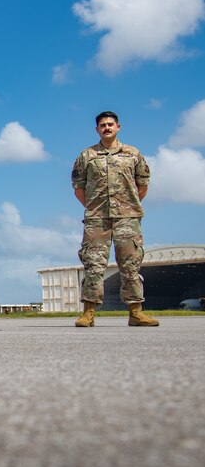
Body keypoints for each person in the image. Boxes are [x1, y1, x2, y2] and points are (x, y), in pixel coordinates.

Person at [71, 111, 158, 327]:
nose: (107, 128)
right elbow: (78, 188)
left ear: (118, 127)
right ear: (97, 129)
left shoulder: (133, 154)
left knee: (130, 265)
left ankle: (136, 312)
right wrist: (94, 208)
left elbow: (143, 184)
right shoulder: (86, 156)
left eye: (110, 124)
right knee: (93, 265)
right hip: (97, 219)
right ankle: (88, 314)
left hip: (127, 219)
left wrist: (128, 206)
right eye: (102, 125)